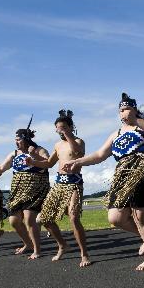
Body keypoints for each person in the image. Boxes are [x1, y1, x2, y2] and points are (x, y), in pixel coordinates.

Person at [63, 93, 144, 271]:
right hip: (123, 175)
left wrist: (136, 120)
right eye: (121, 110)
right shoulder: (115, 133)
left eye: (126, 109)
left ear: (134, 109)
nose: (123, 113)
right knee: (115, 218)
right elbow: (100, 155)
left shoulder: (143, 126)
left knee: (141, 215)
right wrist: (77, 161)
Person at [26, 110, 91, 267]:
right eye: (57, 129)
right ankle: (63, 245)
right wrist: (33, 162)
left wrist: (68, 135)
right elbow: (48, 163)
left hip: (74, 184)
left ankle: (84, 254)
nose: (59, 131)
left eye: (63, 128)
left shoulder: (79, 141)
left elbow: (77, 152)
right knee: (43, 218)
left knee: (74, 218)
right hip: (59, 184)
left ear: (70, 127)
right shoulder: (57, 145)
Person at [0, 117, 50, 259]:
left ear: (26, 139)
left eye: (18, 139)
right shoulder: (14, 154)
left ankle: (37, 249)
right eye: (15, 139)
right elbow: (0, 169)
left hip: (36, 189)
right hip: (18, 190)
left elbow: (48, 163)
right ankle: (28, 244)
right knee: (13, 221)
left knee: (29, 219)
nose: (16, 142)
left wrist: (34, 155)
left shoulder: (40, 150)